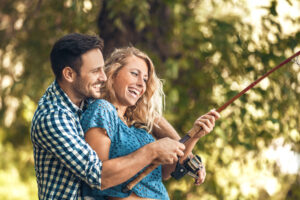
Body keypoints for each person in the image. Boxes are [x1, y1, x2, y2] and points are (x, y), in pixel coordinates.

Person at [30, 33, 188, 200]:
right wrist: (152, 151)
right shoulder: (52, 118)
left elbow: (149, 114)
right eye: (95, 71)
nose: (103, 76)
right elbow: (99, 176)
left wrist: (185, 149)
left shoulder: (85, 97)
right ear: (69, 74)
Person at [80, 47, 220, 199]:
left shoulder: (137, 128)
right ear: (113, 75)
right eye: (134, 74)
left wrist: (194, 136)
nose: (141, 83)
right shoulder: (102, 110)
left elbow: (165, 173)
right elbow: (98, 181)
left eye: (145, 79)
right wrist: (152, 150)